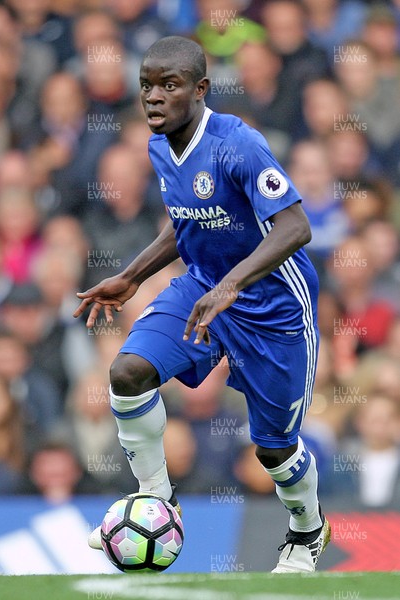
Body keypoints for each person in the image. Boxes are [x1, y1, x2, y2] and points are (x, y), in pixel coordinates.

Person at [74, 36, 330, 573]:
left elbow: (295, 226)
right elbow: (187, 221)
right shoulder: (159, 145)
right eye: (147, 85)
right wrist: (130, 276)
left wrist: (232, 285)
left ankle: (307, 530)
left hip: (275, 309)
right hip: (203, 288)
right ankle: (156, 499)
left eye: (169, 86)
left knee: (274, 451)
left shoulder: (240, 145)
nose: (154, 97)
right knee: (128, 372)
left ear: (200, 89)